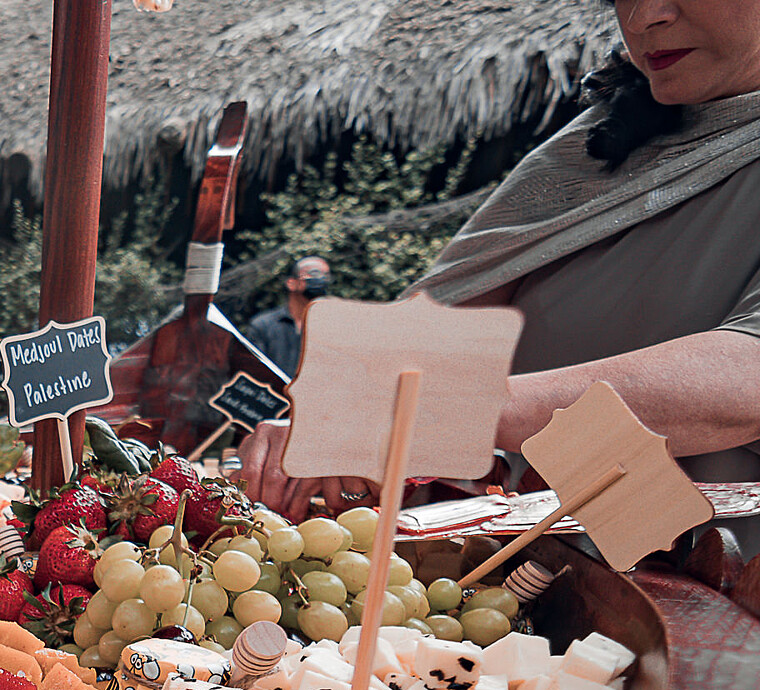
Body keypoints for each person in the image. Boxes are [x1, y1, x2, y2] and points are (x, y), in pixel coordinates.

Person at [242, 0, 760, 527]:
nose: (642, 17)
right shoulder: (602, 137)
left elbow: (747, 377)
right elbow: (441, 332)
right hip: (538, 568)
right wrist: (339, 417)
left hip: (713, 581)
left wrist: (437, 411)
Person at [245, 256, 331, 379]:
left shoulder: (333, 328)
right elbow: (253, 373)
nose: (319, 280)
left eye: (325, 275)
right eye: (313, 273)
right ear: (291, 283)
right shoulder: (263, 325)